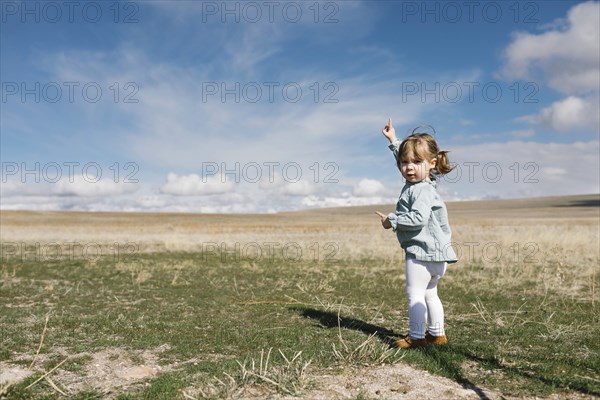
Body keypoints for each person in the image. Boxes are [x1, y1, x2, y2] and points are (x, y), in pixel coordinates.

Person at [375, 118, 458, 349]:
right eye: (404, 162)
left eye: (416, 162)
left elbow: (417, 219)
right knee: (431, 293)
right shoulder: (426, 182)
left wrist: (392, 220)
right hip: (438, 255)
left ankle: (417, 337)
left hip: (421, 254)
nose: (408, 167)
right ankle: (437, 334)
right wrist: (394, 141)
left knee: (415, 295)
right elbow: (409, 161)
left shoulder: (419, 191)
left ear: (432, 163)